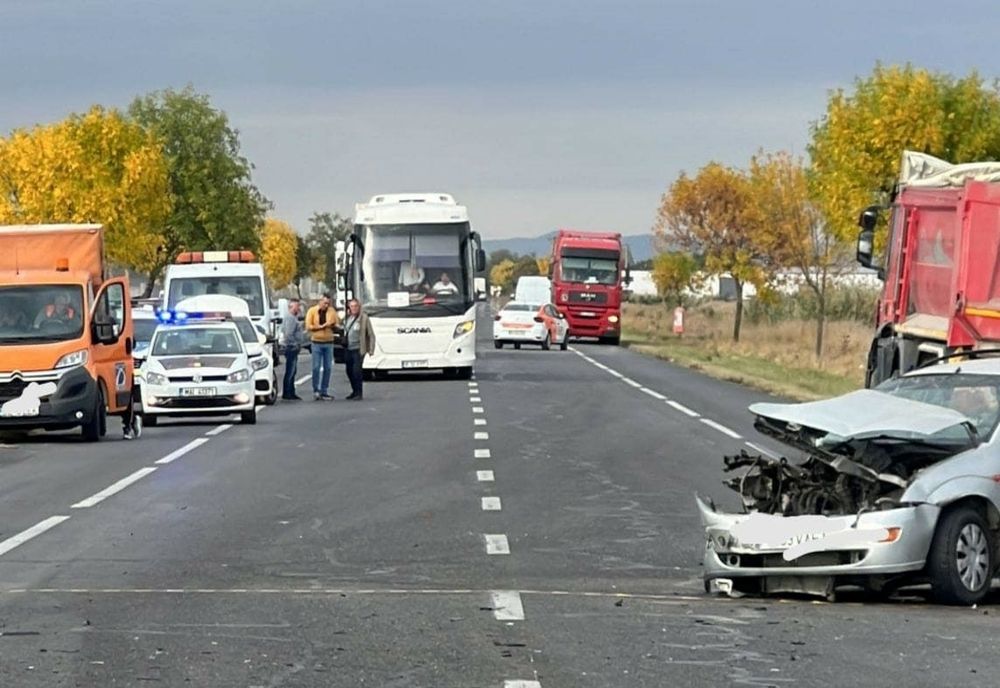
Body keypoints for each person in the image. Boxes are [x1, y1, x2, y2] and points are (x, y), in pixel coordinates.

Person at [305, 293, 339, 400]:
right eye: (324, 303)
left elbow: (337, 324)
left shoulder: (332, 311)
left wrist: (333, 325)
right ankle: (316, 390)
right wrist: (319, 327)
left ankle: (324, 390)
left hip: (328, 342)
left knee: (328, 368)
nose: (326, 305)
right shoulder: (312, 311)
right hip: (316, 342)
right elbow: (308, 326)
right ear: (319, 302)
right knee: (316, 367)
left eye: (328, 303)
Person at [342, 298, 376, 401]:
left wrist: (371, 349)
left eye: (355, 306)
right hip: (348, 348)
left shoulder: (364, 318)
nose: (354, 308)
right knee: (349, 370)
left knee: (357, 371)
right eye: (351, 306)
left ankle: (359, 392)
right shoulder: (348, 318)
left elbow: (370, 334)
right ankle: (354, 390)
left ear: (359, 307)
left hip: (358, 349)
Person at [281, 299, 305, 400]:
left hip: (292, 346)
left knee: (292, 370)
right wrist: (295, 343)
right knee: (290, 370)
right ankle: (288, 393)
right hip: (291, 347)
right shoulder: (290, 318)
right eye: (297, 306)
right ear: (291, 307)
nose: (298, 308)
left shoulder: (292, 318)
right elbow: (288, 334)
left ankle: (291, 391)